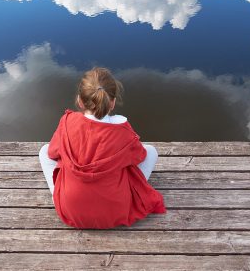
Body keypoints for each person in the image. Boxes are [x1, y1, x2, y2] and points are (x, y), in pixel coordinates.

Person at [39, 67, 166, 229]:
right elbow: (139, 156)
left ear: (80, 101)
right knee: (151, 151)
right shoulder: (122, 129)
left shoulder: (67, 122)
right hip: (115, 210)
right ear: (112, 103)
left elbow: (52, 152)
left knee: (44, 150)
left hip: (71, 209)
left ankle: (59, 194)